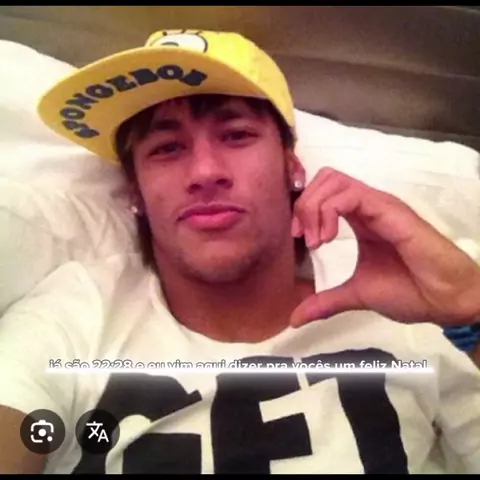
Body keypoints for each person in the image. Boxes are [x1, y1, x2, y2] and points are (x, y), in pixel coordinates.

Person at [0, 29, 479, 474]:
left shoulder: (417, 305)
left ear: (293, 168)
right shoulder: (76, 316)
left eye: (236, 135)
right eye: (166, 148)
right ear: (135, 192)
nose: (205, 172)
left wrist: (470, 315)